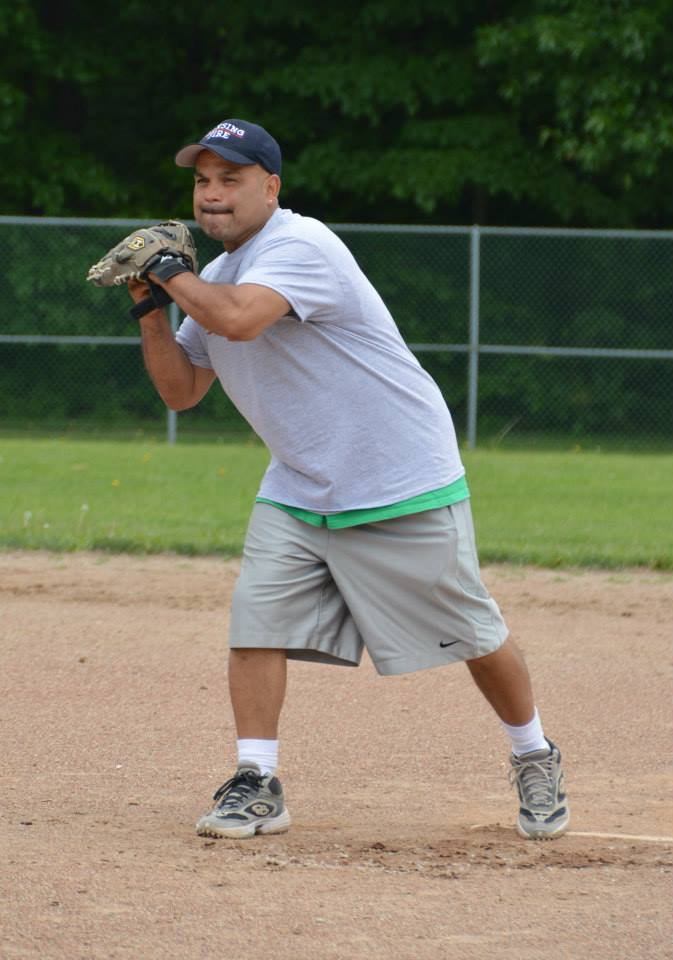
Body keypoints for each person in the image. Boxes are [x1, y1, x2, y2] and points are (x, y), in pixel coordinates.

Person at [128, 118, 569, 842]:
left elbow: (239, 323)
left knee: (472, 631)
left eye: (230, 180)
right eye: (202, 181)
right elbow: (182, 391)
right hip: (300, 483)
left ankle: (533, 753)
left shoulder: (299, 245)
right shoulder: (211, 280)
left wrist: (171, 273)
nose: (211, 196)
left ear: (271, 187)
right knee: (255, 623)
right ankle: (255, 779)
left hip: (398, 476)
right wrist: (151, 306)